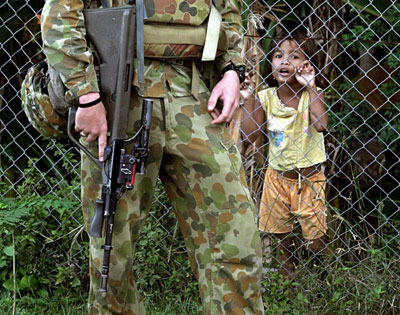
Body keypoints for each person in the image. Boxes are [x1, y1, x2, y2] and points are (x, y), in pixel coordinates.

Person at [41, 0, 264, 314]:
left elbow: (227, 8)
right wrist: (86, 96)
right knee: (113, 249)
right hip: (119, 93)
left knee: (235, 234)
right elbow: (60, 15)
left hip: (195, 93)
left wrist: (232, 71)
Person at [240, 27, 329, 279]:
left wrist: (311, 86)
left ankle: (317, 273)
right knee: (281, 239)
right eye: (278, 56)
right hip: (276, 179)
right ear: (271, 63)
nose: (285, 61)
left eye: (294, 56)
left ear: (306, 64)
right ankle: (287, 283)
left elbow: (321, 124)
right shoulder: (265, 97)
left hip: (309, 180)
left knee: (314, 240)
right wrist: (248, 98)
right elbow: (250, 135)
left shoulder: (312, 96)